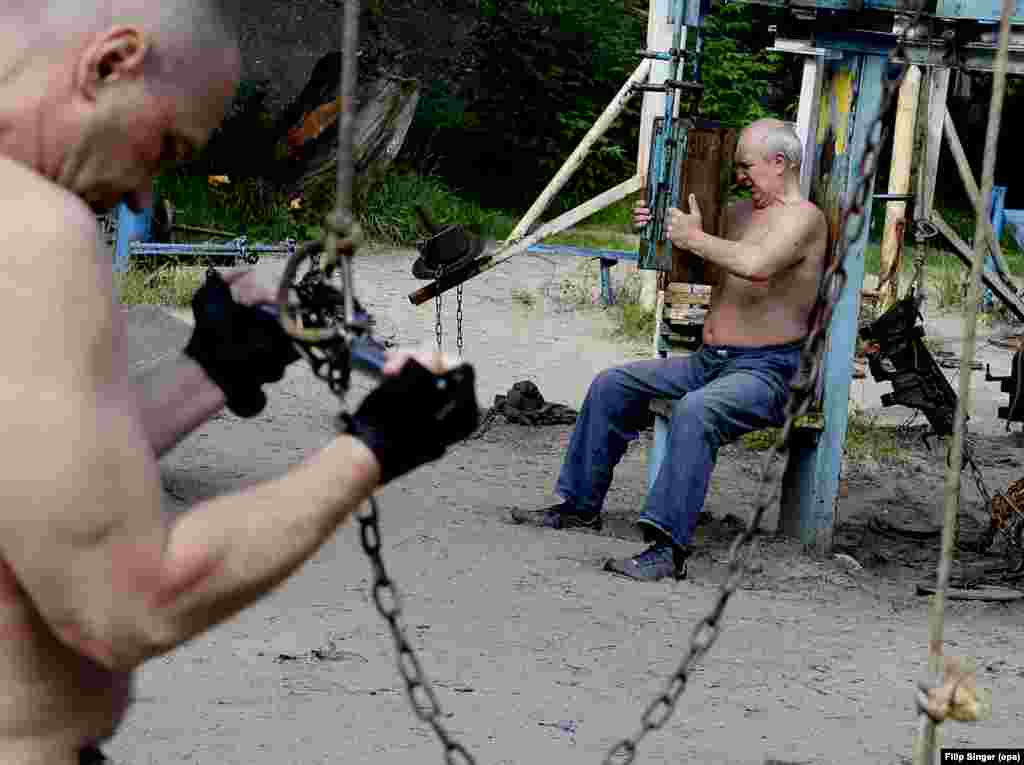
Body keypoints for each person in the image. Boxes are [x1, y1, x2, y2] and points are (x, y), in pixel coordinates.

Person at [0, 4, 478, 764]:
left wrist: (213, 368)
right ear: (110, 62)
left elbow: (31, 478)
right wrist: (377, 443)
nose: (140, 201)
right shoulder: (34, 229)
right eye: (162, 147)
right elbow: (128, 601)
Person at [512, 118, 828, 582]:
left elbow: (756, 265)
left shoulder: (805, 218)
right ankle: (579, 506)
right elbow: (707, 255)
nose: (740, 176)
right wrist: (661, 226)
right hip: (709, 362)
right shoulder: (740, 214)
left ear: (779, 163)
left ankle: (666, 549)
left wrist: (696, 237)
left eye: (748, 167)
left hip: (768, 372)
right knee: (612, 385)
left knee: (696, 412)